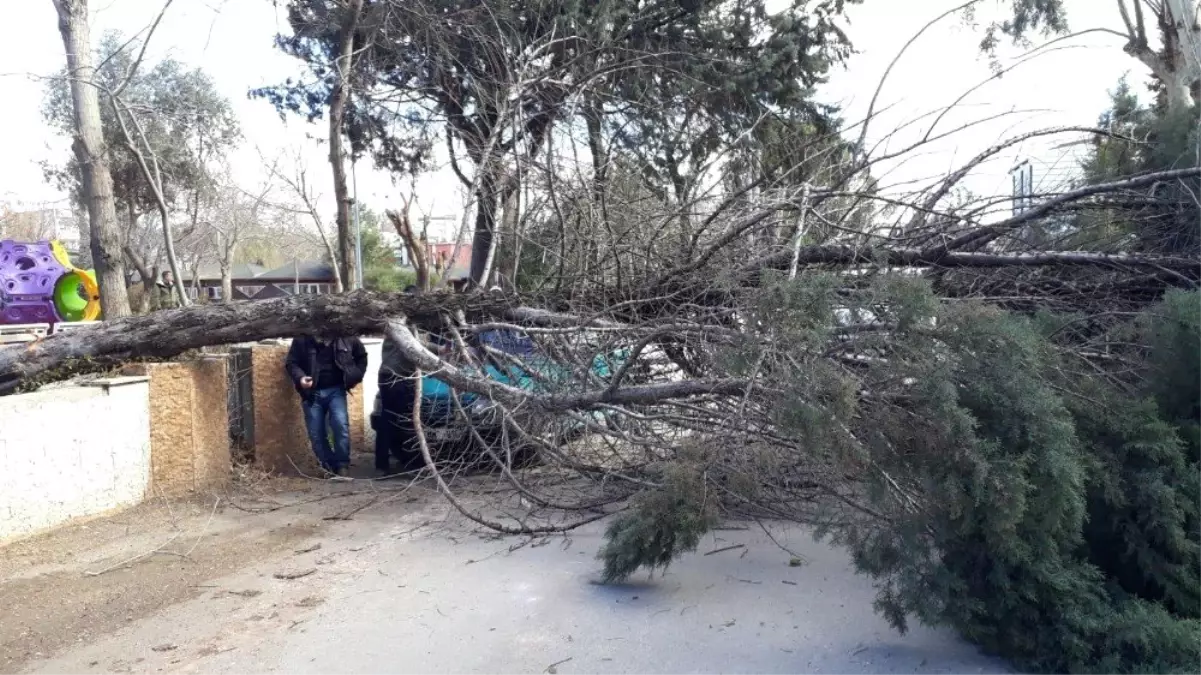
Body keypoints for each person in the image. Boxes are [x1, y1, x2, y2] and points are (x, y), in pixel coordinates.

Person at [376, 285, 450, 474]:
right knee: (403, 421)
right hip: (397, 377)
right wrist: (438, 353)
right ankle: (411, 464)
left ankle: (386, 464)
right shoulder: (401, 323)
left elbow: (419, 342)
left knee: (391, 420)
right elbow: (415, 345)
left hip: (389, 376)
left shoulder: (397, 320)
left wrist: (439, 349)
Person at [285, 332, 368, 477]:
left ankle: (342, 465)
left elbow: (361, 356)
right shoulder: (302, 338)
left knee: (340, 425)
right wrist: (301, 378)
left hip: (336, 390)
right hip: (311, 393)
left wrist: (356, 374)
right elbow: (291, 363)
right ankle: (327, 466)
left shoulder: (346, 336)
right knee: (316, 433)